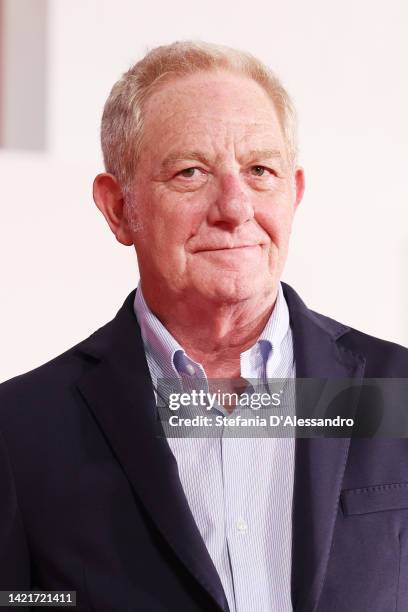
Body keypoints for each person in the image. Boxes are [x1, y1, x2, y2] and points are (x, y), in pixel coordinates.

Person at [0, 41, 407, 612]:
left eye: (260, 170)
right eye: (191, 172)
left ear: (294, 193)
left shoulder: (397, 390)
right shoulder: (20, 430)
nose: (235, 207)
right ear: (119, 208)